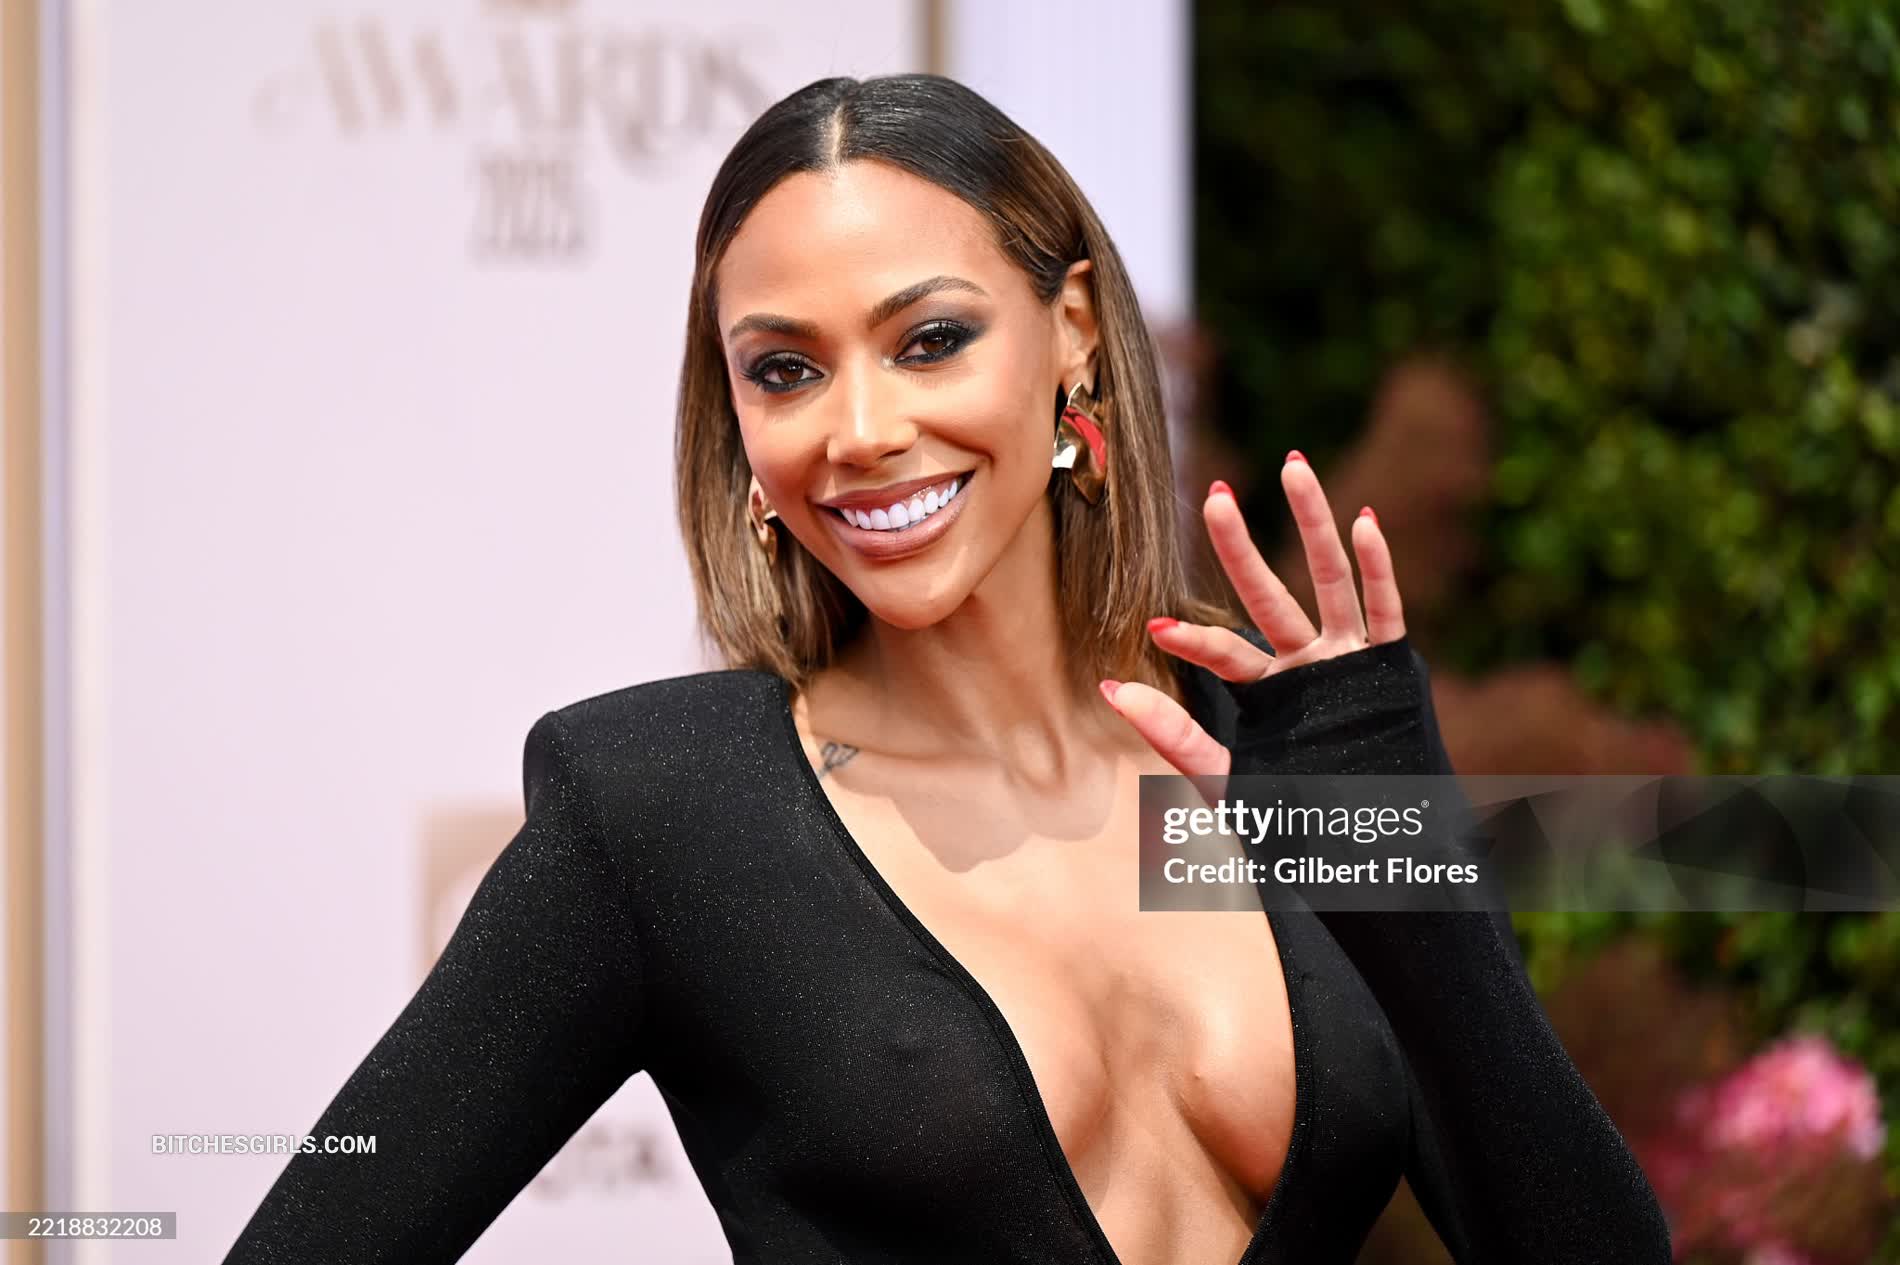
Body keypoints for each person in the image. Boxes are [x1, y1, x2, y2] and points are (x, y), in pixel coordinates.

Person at [221, 74, 1672, 1264]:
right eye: (784, 368)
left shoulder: (1263, 766)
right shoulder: (663, 812)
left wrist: (1408, 868)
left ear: (1073, 335)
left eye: (929, 339)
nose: (859, 430)